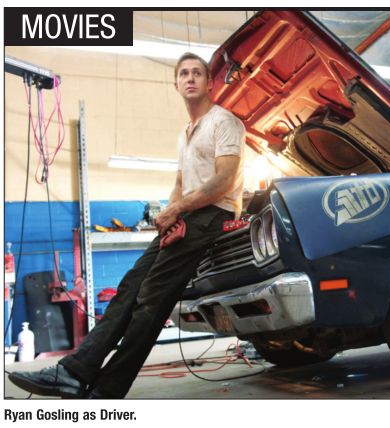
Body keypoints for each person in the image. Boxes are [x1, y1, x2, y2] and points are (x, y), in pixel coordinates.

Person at [9, 52, 246, 399]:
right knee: (130, 287)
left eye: (197, 73)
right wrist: (170, 214)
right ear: (176, 83)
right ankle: (75, 372)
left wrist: (179, 209)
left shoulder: (224, 122)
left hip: (214, 214)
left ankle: (108, 388)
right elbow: (180, 184)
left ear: (209, 82)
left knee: (151, 300)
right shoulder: (185, 134)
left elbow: (225, 180)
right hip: (189, 214)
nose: (190, 78)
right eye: (184, 73)